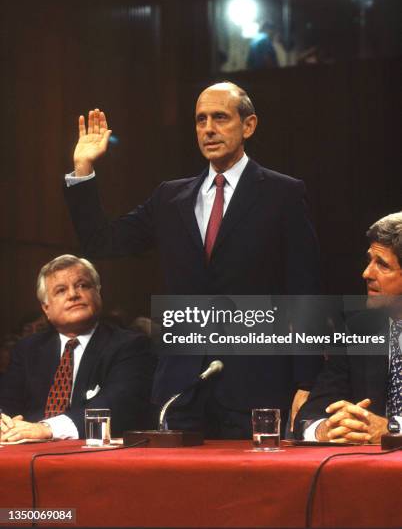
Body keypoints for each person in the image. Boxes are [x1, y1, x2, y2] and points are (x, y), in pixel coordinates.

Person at [64, 81, 321, 438]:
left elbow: (305, 293)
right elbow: (102, 242)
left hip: (257, 387)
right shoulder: (170, 198)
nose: (209, 129)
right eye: (201, 120)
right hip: (181, 388)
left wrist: (307, 383)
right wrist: (83, 171)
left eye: (220, 118)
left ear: (248, 126)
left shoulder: (283, 194)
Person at [0, 255, 154, 442]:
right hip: (28, 452)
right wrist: (5, 423)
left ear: (98, 293)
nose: (73, 294)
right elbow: (7, 403)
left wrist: (47, 429)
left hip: (97, 456)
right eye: (61, 290)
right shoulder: (28, 349)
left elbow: (116, 405)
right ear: (46, 308)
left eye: (82, 285)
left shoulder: (130, 345)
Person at [295, 212, 402, 443]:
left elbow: (384, 429)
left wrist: (393, 428)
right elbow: (309, 416)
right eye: (369, 261)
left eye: (382, 265)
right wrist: (326, 429)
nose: (366, 274)